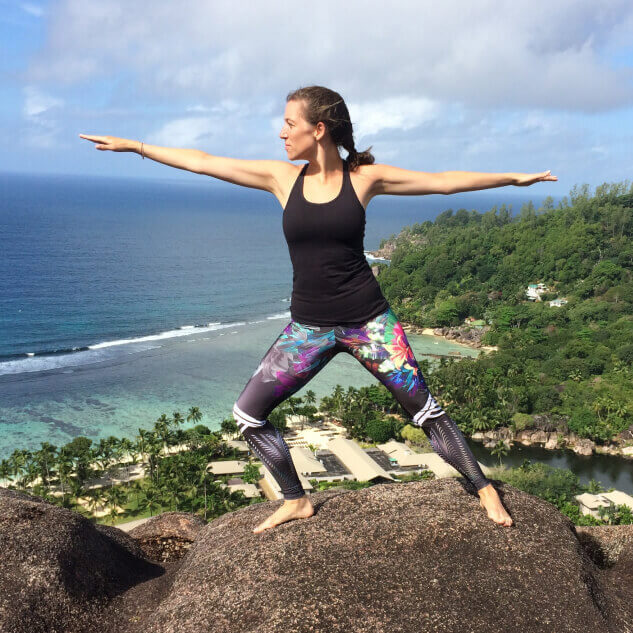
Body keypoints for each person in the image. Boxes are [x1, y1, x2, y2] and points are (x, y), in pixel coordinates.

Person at [80, 85, 557, 533]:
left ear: (319, 129)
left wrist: (515, 177)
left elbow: (444, 183)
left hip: (370, 322)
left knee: (426, 413)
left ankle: (484, 488)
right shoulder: (281, 178)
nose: (282, 133)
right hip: (309, 328)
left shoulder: (364, 178)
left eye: (290, 123)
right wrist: (137, 146)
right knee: (248, 414)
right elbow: (203, 162)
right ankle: (295, 498)